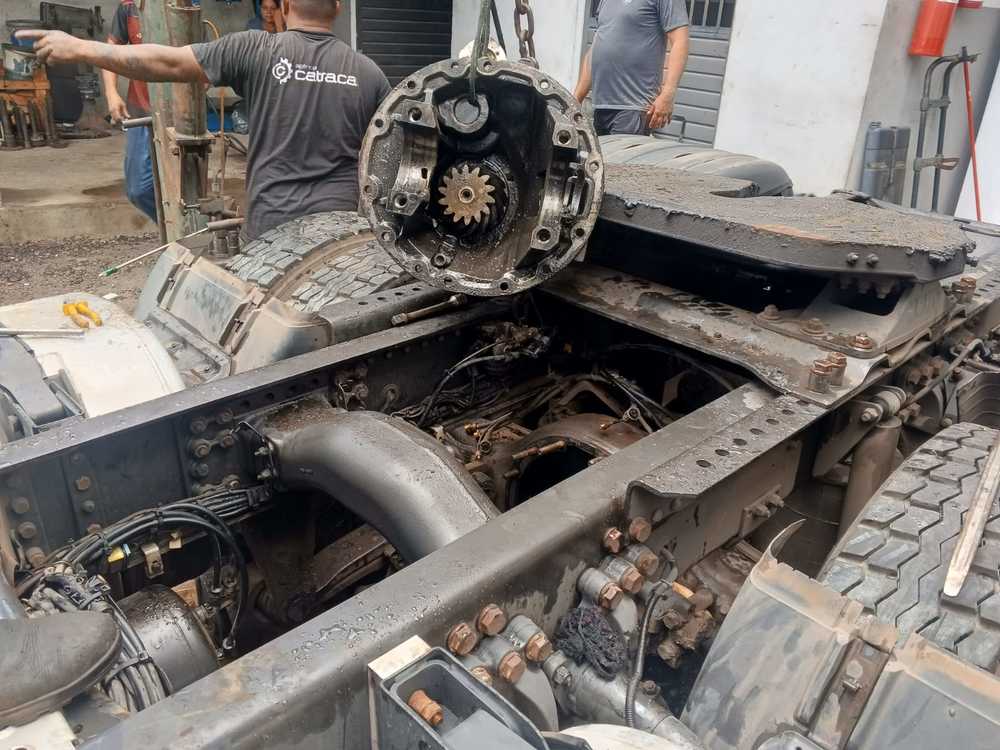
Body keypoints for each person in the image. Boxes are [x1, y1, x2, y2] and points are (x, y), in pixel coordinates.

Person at [18, 0, 391, 242]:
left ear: (285, 5)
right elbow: (387, 160)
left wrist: (83, 47)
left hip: (272, 230)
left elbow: (168, 62)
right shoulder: (370, 72)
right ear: (337, 8)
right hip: (344, 231)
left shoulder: (256, 48)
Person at [575, 0, 690, 136]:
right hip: (601, 106)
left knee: (620, 151)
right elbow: (596, 49)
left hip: (633, 107)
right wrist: (575, 100)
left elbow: (680, 40)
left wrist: (668, 94)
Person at [103, 0, 157, 222]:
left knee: (183, 188)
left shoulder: (186, 7)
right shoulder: (129, 7)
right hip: (140, 112)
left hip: (179, 116)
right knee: (138, 190)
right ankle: (176, 232)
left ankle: (184, 234)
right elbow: (110, 50)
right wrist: (111, 93)